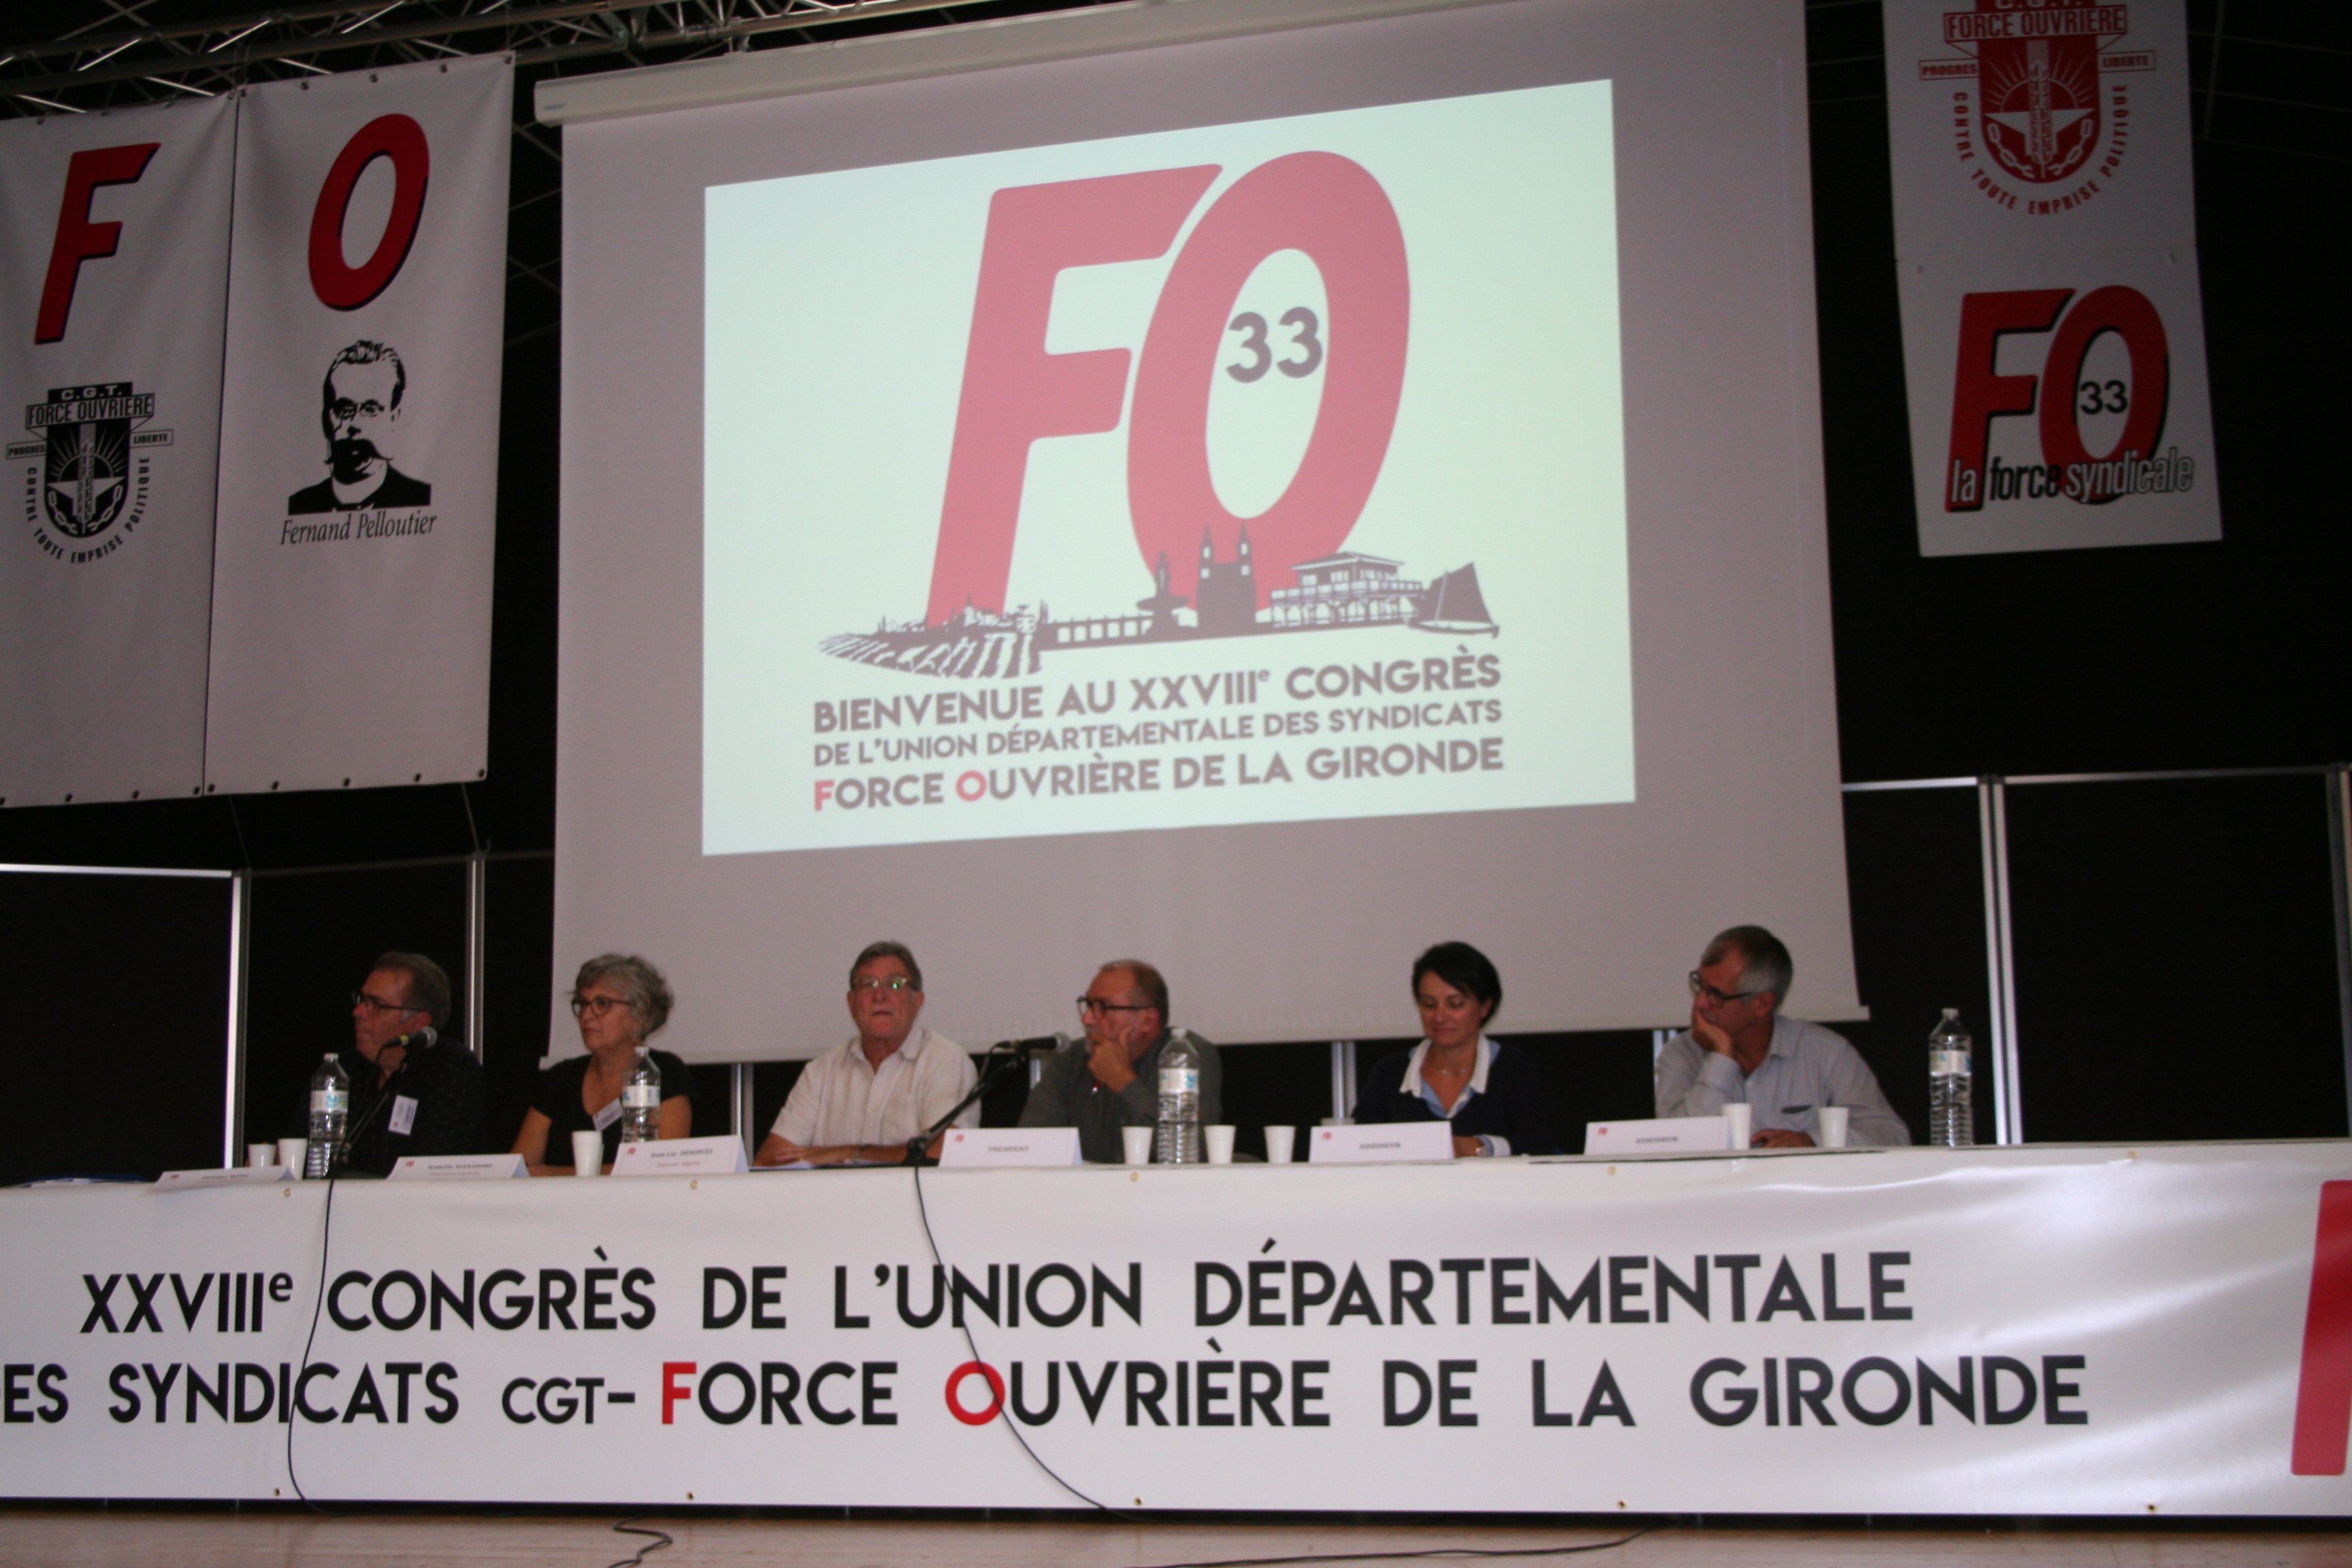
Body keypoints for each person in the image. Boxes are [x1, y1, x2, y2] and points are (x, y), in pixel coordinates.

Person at [1654, 925, 1910, 1147]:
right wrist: (1720, 1060)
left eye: (1716, 995)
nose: (1700, 1003)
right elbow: (1674, 1147)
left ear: (1762, 1004)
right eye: (1700, 985)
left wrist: (1813, 1141)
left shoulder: (1826, 1052)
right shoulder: (1681, 1054)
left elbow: (1892, 1136)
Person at [754, 941, 977, 1166]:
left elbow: (943, 1153)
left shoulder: (945, 1060)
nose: (879, 995)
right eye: (868, 985)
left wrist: (849, 1153)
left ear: (917, 1002)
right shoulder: (822, 1070)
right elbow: (768, 1161)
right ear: (851, 1003)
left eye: (895, 984)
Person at [1351, 942, 1558, 1156]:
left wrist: (1479, 1147)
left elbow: (1540, 1147)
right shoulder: (1390, 1073)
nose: (1440, 1017)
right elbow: (1357, 1147)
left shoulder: (1514, 1068)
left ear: (1485, 1006)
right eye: (1429, 1004)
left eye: (1456, 1004)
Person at [1019, 960, 1219, 1164]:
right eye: (1088, 1005)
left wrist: (1124, 1082)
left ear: (1148, 1020)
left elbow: (1189, 1150)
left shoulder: (1187, 1058)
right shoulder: (1070, 1060)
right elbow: (1031, 1145)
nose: (1087, 1019)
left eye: (1103, 1007)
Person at [513, 954, 694, 1174]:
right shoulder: (560, 1078)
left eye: (602, 1004)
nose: (586, 1016)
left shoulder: (665, 1073)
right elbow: (520, 1170)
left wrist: (557, 1174)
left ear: (640, 1016)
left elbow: (661, 1166)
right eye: (583, 1004)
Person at [330, 951, 484, 1176]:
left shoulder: (452, 1069)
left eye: (377, 1005)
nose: (358, 1012)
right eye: (362, 1000)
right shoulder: (344, 1067)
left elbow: (434, 1168)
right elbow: (299, 1151)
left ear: (417, 1022)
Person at [287, 340, 433, 513]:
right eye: (345, 410)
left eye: (370, 410)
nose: (355, 425)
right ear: (326, 418)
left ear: (394, 418)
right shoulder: (298, 506)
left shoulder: (419, 498)